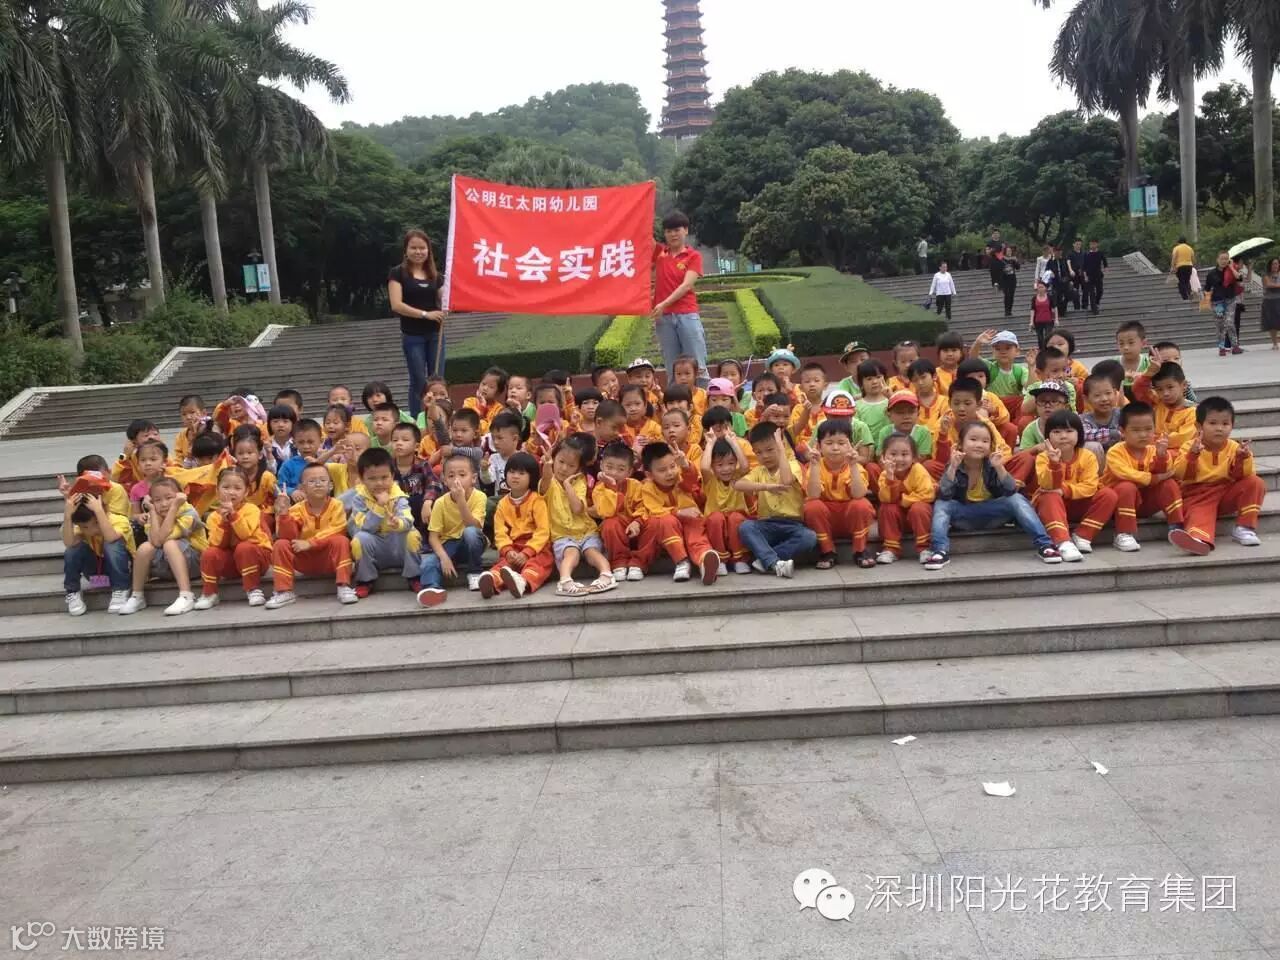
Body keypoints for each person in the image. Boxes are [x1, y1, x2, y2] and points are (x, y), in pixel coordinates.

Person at [923, 420, 1061, 570]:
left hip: (992, 515)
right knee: (942, 505)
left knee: (1016, 499)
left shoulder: (991, 465)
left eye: (985, 441)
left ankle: (1045, 545)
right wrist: (953, 467)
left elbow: (1010, 490)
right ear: (960, 444)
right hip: (963, 516)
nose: (979, 444)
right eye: (973, 439)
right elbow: (944, 494)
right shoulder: (954, 464)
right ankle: (939, 551)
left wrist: (999, 467)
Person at [1172, 397, 1265, 552]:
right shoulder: (1189, 446)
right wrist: (1192, 455)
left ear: (1232, 426)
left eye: (1225, 424)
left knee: (1255, 482)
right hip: (1197, 496)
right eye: (1213, 423)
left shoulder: (1235, 448)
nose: (1219, 428)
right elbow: (1180, 474)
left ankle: (1244, 528)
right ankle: (1198, 540)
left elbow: (1243, 476)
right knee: (1199, 514)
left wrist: (1242, 458)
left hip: (1225, 493)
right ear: (1199, 426)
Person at [265, 462, 358, 609]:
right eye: (312, 481)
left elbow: (338, 529)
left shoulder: (336, 505)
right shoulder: (297, 509)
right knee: (280, 544)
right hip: (304, 559)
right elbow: (288, 536)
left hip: (329, 558)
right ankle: (284, 591)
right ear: (302, 488)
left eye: (322, 480)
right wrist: (283, 515)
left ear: (331, 485)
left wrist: (310, 543)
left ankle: (344, 586)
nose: (318, 484)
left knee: (341, 540)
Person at [1031, 410, 1118, 562]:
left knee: (1108, 495)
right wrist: (1054, 464)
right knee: (1049, 496)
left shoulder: (1088, 456)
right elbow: (1047, 485)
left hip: (1079, 504)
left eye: (1069, 431)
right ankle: (1063, 542)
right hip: (1053, 508)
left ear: (1079, 434)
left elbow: (1090, 486)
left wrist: (1065, 490)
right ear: (1047, 437)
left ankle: (1083, 535)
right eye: (1056, 432)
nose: (1063, 436)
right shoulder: (1043, 457)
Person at [1102, 401, 1188, 554]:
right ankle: (1124, 532)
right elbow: (1125, 474)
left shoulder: (1155, 449)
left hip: (1146, 503)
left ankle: (1177, 527)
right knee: (1126, 486)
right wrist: (1154, 478)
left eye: (1148, 429)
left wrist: (1161, 456)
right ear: (1122, 431)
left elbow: (1168, 472)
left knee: (1169, 484)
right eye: (1136, 430)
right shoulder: (1115, 451)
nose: (1143, 434)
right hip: (1120, 506)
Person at [737, 423, 817, 578]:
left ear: (781, 446)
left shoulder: (793, 464)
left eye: (770, 450)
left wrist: (781, 449)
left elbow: (786, 480)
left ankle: (766, 561)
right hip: (766, 524)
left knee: (809, 538)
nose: (765, 456)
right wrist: (766, 487)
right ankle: (775, 563)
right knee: (746, 527)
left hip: (793, 525)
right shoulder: (759, 471)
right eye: (759, 452)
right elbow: (739, 485)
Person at [541, 434, 616, 596]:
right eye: (560, 462)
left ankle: (606, 574)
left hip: (586, 530)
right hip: (562, 535)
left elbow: (577, 509)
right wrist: (547, 466)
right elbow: (545, 482)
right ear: (554, 460)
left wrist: (568, 485)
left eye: (571, 465)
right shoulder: (549, 482)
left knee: (592, 552)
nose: (564, 468)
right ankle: (565, 581)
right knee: (571, 553)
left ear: (578, 468)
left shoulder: (580, 481)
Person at [636, 440, 719, 584]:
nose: (670, 473)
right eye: (662, 470)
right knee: (665, 521)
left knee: (696, 535)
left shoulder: (680, 478)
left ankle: (704, 560)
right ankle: (682, 562)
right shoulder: (647, 488)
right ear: (649, 474)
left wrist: (685, 465)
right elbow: (655, 510)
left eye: (673, 466)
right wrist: (679, 512)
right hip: (669, 525)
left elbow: (692, 481)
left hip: (690, 519)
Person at [118, 478, 205, 616]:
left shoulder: (188, 513)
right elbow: (154, 541)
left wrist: (174, 507)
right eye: (157, 500)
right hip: (166, 566)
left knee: (169, 543)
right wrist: (152, 511)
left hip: (194, 564)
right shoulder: (153, 514)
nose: (164, 504)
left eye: (169, 498)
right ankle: (137, 596)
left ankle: (186, 595)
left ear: (180, 496)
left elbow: (162, 539)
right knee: (144, 548)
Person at [343, 447, 419, 598]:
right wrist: (378, 507)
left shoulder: (399, 496)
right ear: (362, 478)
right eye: (372, 479)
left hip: (397, 547)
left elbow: (408, 520)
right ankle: (365, 581)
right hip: (376, 548)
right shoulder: (359, 499)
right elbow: (364, 527)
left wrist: (398, 524)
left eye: (384, 477)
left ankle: (414, 576)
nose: (379, 483)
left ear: (392, 476)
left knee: (411, 534)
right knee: (360, 539)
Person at [388, 229, 447, 419]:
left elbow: (444, 299)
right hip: (413, 335)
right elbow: (396, 305)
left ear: (428, 250)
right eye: (413, 248)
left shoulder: (435, 276)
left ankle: (439, 418)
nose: (418, 252)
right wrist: (425, 314)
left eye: (422, 248)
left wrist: (447, 302)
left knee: (437, 380)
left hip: (435, 334)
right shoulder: (398, 273)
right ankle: (417, 419)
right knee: (419, 381)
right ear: (406, 250)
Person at [196, 466, 273, 610]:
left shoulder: (251, 509)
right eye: (226, 487)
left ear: (246, 492)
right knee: (209, 553)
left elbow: (245, 535)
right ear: (217, 491)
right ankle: (209, 593)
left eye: (237, 488)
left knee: (244, 547)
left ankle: (253, 589)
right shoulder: (213, 517)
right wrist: (225, 523)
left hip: (256, 559)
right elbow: (217, 544)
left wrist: (233, 516)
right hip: (232, 562)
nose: (231, 492)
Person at [479, 452, 554, 599]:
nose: (515, 476)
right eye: (512, 472)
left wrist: (527, 552)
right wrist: (507, 550)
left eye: (521, 473)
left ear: (531, 477)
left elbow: (543, 531)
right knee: (504, 564)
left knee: (537, 564)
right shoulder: (502, 504)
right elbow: (500, 532)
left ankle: (522, 582)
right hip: (513, 546)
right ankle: (492, 580)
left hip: (536, 547)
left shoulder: (537, 500)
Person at [801, 420, 875, 569]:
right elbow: (813, 495)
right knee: (811, 506)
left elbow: (858, 494)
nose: (835, 448)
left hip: (850, 520)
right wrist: (814, 465)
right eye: (829, 443)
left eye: (841, 443)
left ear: (850, 446)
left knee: (862, 504)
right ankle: (827, 551)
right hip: (826, 521)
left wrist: (853, 465)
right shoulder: (814, 466)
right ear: (819, 446)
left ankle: (860, 550)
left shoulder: (856, 467)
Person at [417, 453, 488, 605]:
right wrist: (444, 558)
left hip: (472, 543)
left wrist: (461, 501)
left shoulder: (479, 497)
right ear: (444, 479)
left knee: (470, 532)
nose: (456, 480)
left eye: (462, 475)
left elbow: (474, 526)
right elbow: (433, 537)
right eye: (451, 476)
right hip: (449, 545)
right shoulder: (440, 503)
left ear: (473, 478)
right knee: (428, 563)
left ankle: (475, 572)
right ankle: (432, 589)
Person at [649, 211, 708, 382]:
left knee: (697, 364)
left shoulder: (693, 256)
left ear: (686, 230)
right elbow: (644, 235)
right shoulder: (659, 253)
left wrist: (663, 303)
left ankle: (703, 396)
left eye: (677, 230)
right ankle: (675, 398)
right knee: (672, 367)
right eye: (668, 231)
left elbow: (687, 285)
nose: (673, 234)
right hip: (664, 318)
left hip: (687, 314)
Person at [61, 487, 134, 616]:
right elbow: (69, 543)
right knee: (73, 549)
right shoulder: (80, 527)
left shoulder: (118, 520)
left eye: (96, 523)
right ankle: (73, 592)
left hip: (125, 572)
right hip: (99, 575)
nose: (92, 530)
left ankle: (121, 589)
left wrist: (99, 511)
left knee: (111, 543)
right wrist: (68, 516)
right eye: (85, 527)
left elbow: (110, 537)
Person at [876, 432, 936, 565]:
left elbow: (928, 494)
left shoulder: (918, 470)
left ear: (914, 457)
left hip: (919, 518)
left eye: (904, 454)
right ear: (883, 457)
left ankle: (924, 548)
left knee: (919, 507)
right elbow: (886, 499)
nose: (899, 459)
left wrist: (904, 500)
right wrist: (890, 479)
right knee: (887, 508)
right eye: (893, 454)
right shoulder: (885, 474)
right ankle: (891, 549)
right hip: (899, 519)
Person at [700, 432, 751, 574]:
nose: (726, 469)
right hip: (716, 523)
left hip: (735, 520)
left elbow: (745, 466)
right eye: (720, 465)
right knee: (716, 518)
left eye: (731, 463)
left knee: (735, 517)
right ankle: (720, 560)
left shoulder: (737, 476)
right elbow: (704, 468)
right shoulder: (711, 480)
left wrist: (734, 442)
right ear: (713, 466)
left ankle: (739, 559)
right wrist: (710, 444)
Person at [594, 442, 646, 581]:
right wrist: (612, 487)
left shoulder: (635, 485)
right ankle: (619, 563)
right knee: (610, 523)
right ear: (601, 465)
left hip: (636, 530)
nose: (614, 473)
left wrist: (637, 522)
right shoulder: (599, 489)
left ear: (629, 472)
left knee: (653, 522)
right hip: (616, 534)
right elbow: (608, 512)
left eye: (621, 469)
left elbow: (644, 507)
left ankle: (638, 562)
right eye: (609, 467)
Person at [1204, 251, 1243, 356]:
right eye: (1222, 258)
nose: (1224, 261)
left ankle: (1235, 346)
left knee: (1230, 322)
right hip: (1217, 302)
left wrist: (1231, 267)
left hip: (1230, 300)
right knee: (1220, 325)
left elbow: (1239, 278)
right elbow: (1207, 288)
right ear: (1217, 260)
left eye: (1226, 259)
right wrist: (1206, 300)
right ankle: (1221, 348)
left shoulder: (1231, 271)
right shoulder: (1211, 274)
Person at [1029, 280, 1058, 349]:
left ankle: (1048, 350)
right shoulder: (1034, 298)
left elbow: (1055, 308)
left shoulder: (1049, 297)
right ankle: (1042, 350)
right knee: (1040, 338)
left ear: (1045, 288)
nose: (1040, 289)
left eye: (1042, 287)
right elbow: (1032, 310)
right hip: (1038, 321)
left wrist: (1056, 319)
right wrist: (1031, 322)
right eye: (1039, 287)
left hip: (1048, 320)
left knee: (1048, 336)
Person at [1083, 239, 1108, 315]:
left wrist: (1105, 268)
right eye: (1091, 244)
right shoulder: (1087, 254)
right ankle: (1094, 309)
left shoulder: (1100, 253)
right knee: (1092, 293)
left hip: (1098, 275)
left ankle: (1097, 302)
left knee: (1100, 291)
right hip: (1089, 276)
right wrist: (1085, 276)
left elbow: (1105, 261)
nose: (1092, 245)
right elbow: (1084, 266)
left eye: (1094, 244)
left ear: (1097, 244)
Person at [1171, 236, 1196, 300]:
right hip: (1189, 266)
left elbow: (1174, 258)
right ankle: (1189, 292)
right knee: (1187, 281)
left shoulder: (1176, 248)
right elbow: (1193, 258)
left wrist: (1172, 267)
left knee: (1181, 282)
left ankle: (1185, 297)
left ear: (1178, 242)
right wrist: (1193, 266)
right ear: (1185, 242)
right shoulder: (1190, 248)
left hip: (1180, 266)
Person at [1263, 257, 1280, 351]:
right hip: (1270, 301)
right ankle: (1275, 343)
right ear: (1270, 265)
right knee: (1272, 323)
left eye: (1276, 263)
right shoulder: (1266, 275)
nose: (1275, 265)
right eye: (1273, 264)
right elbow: (1268, 284)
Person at [999, 245, 1020, 317]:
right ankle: (1006, 310)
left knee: (1011, 295)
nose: (1009, 252)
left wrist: (1016, 261)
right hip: (1004, 280)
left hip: (1012, 279)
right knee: (1007, 295)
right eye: (1008, 251)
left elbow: (1018, 268)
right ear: (1005, 252)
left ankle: (1010, 310)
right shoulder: (1002, 259)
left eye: (1010, 251)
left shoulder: (1013, 259)